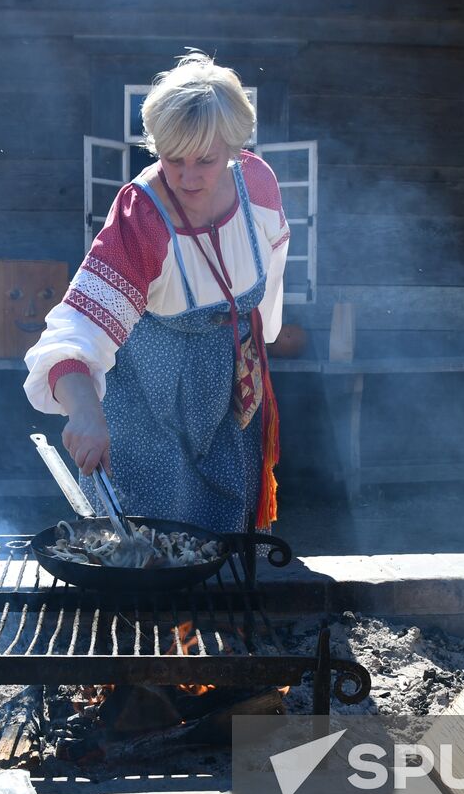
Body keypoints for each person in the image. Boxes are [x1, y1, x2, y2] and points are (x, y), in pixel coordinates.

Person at [24, 52, 290, 533]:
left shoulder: (261, 188)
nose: (188, 178)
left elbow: (268, 281)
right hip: (147, 406)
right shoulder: (142, 218)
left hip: (228, 401)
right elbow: (75, 331)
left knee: (223, 544)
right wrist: (84, 410)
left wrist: (263, 340)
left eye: (205, 160)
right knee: (152, 546)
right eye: (173, 159)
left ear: (235, 147)